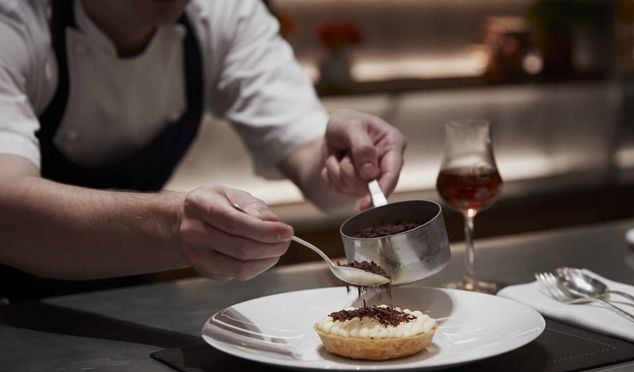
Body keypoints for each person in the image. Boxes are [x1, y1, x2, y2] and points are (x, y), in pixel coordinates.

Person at [0, 0, 406, 300]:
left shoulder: (225, 14)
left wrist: (344, 164)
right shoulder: (15, 19)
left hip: (135, 298)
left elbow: (313, 165)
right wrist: (172, 227)